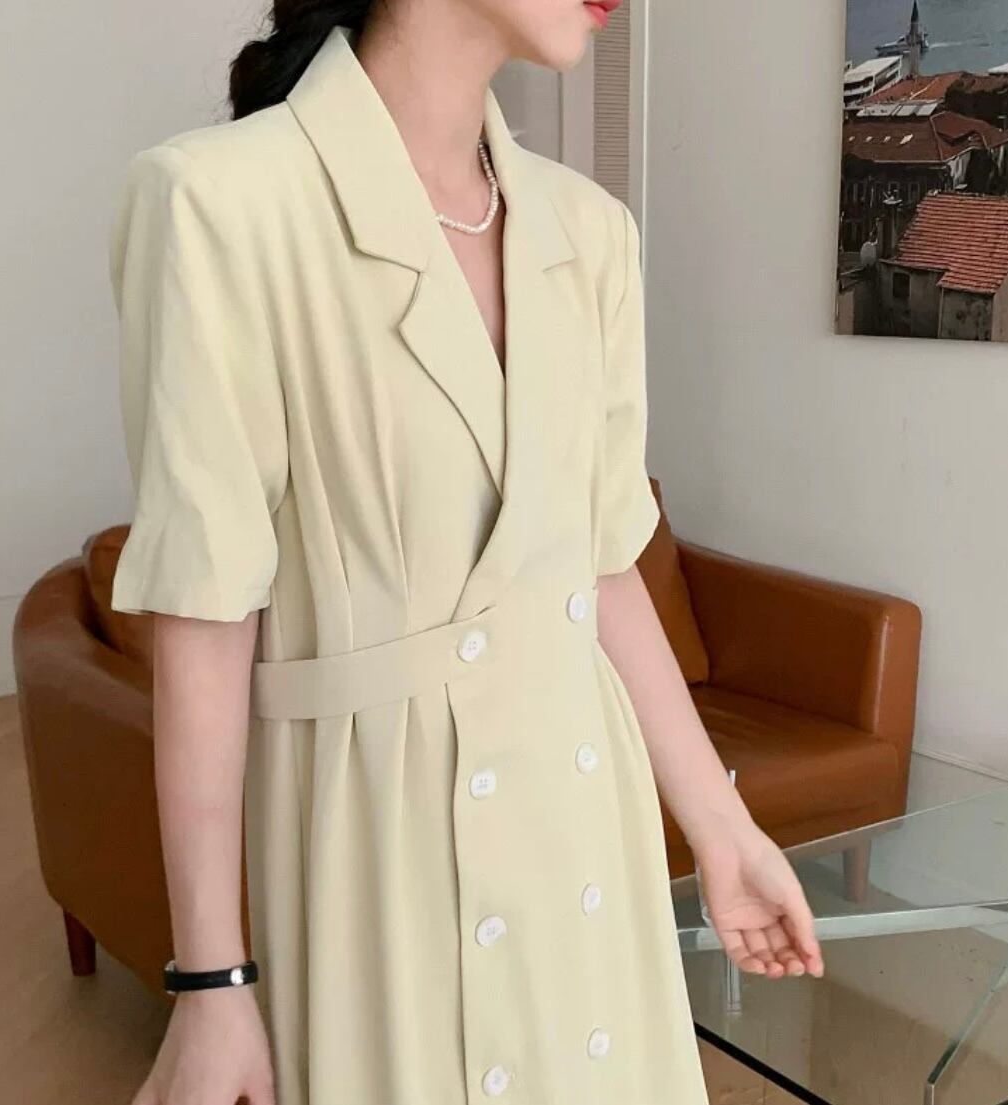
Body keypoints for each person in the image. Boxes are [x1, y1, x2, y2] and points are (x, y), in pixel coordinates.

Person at [109, 3, 824, 1104]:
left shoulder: (589, 232)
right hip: (373, 842)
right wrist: (211, 980)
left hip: (587, 830)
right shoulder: (219, 203)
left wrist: (722, 829)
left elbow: (598, 565)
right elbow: (205, 608)